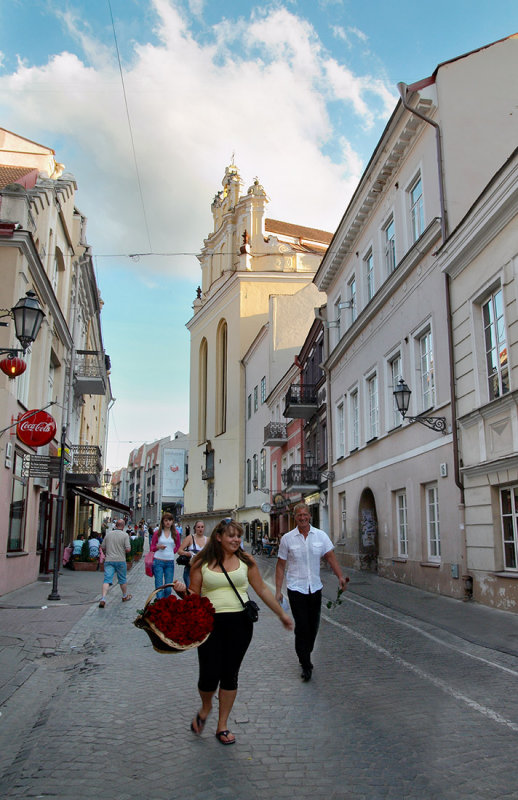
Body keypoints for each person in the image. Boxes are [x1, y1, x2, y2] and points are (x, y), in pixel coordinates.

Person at [189, 519, 293, 746]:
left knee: (230, 673)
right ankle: (206, 707)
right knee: (208, 675)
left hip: (239, 624)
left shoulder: (246, 560)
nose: (236, 540)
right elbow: (193, 597)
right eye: (231, 535)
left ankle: (222, 724)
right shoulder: (200, 562)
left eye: (238, 536)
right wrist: (182, 592)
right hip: (209, 624)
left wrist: (282, 615)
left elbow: (262, 590)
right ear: (219, 537)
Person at [275, 502, 349, 682]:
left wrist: (340, 576)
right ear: (295, 517)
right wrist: (278, 590)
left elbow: (330, 557)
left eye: (305, 515)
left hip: (315, 588)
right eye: (299, 515)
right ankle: (306, 664)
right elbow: (280, 566)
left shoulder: (320, 536)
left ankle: (305, 653)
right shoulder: (287, 539)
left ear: (309, 516)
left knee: (313, 627)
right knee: (302, 627)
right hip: (296, 588)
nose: (302, 518)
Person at [98, 519, 132, 608]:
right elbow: (128, 549)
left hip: (109, 560)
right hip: (120, 560)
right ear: (123, 526)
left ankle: (103, 598)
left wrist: (108, 552)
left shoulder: (108, 534)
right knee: (122, 579)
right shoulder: (125, 535)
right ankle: (124, 596)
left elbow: (102, 547)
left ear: (116, 525)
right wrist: (122, 550)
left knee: (107, 579)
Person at [150, 512, 180, 599]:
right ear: (163, 522)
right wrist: (158, 547)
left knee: (168, 587)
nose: (168, 522)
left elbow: (178, 545)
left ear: (172, 522)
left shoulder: (175, 533)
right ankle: (159, 604)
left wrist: (172, 551)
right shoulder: (157, 533)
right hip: (158, 561)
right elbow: (152, 547)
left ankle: (166, 604)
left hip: (169, 562)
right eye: (166, 520)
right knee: (159, 586)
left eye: (170, 520)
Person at [177, 520, 207, 589]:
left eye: (202, 527)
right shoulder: (190, 538)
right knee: (191, 593)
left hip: (203, 570)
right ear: (195, 528)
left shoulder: (207, 540)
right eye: (198, 527)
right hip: (190, 570)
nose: (200, 529)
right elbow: (179, 550)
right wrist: (186, 553)